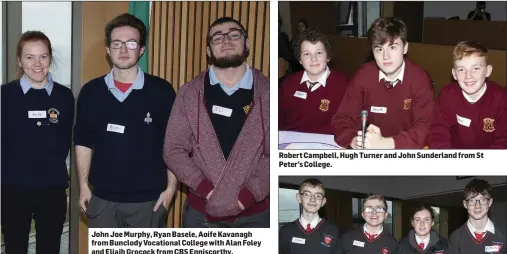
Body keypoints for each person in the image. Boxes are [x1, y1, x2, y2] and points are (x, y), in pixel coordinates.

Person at [163, 17, 269, 228]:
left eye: (234, 34)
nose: (226, 40)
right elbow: (173, 150)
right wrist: (206, 189)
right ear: (209, 51)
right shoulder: (189, 94)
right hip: (201, 213)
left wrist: (247, 196)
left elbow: (273, 154)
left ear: (246, 43)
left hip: (256, 215)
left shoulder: (269, 93)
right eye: (217, 38)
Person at [74, 13, 178, 228]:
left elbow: (175, 144)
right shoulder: (91, 92)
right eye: (117, 43)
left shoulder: (162, 91)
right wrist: (83, 186)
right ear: (107, 49)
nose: (123, 49)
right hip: (102, 200)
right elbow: (83, 141)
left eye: (131, 43)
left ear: (141, 49)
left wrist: (171, 189)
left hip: (149, 202)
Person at [1, 31, 74, 253]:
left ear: (50, 58)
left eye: (43, 56)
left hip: (52, 189)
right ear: (19, 60)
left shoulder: (65, 96)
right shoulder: (4, 96)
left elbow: (63, 141)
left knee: (50, 248)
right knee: (15, 248)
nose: (37, 63)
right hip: (13, 189)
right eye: (29, 57)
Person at [332, 17, 434, 149]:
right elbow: (341, 119)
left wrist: (385, 144)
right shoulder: (363, 76)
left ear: (405, 48)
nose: (385, 56)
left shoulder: (419, 79)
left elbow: (424, 130)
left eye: (392, 47)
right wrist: (354, 140)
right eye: (379, 49)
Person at [428, 41, 506, 149]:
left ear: (488, 71)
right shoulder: (447, 95)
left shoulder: (501, 99)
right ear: (454, 74)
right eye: (461, 69)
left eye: (476, 68)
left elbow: (503, 141)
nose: (468, 76)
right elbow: (438, 131)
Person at [279, 29, 349, 134]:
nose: (314, 59)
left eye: (319, 53)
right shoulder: (288, 84)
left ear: (328, 56)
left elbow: (349, 125)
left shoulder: (344, 85)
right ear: (300, 59)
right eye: (307, 54)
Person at [279, 178, 340, 254]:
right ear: (299, 197)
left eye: (318, 196)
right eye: (307, 194)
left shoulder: (333, 230)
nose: (313, 199)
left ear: (323, 202)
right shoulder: (285, 231)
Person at [448, 178, 506, 254]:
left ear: (490, 202)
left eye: (483, 200)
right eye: (472, 200)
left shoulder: (503, 236)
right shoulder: (455, 238)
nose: (477, 206)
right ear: (465, 204)